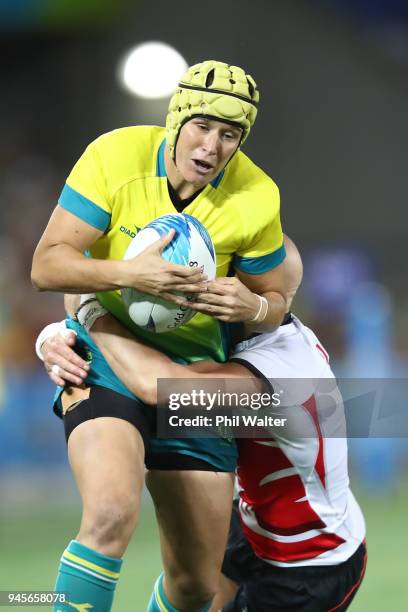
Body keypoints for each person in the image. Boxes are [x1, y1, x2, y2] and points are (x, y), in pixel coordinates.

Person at [31, 60, 287, 611]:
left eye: (229, 135)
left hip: (192, 382)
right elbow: (48, 265)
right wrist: (128, 274)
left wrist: (257, 304)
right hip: (102, 357)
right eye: (201, 126)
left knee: (197, 585)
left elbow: (280, 295)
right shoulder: (114, 156)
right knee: (109, 515)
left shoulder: (257, 196)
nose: (212, 146)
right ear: (175, 119)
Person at [39, 237, 366, 611]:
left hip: (309, 563)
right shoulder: (246, 338)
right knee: (192, 584)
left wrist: (91, 312)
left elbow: (154, 386)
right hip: (252, 524)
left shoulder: (281, 369)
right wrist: (52, 339)